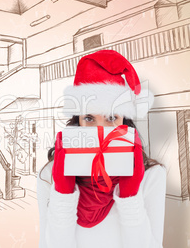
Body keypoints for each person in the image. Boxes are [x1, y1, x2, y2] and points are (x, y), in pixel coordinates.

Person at [37, 50, 166, 248]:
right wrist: (63, 195)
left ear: (125, 120)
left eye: (111, 118)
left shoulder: (152, 176)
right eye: (89, 118)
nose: (100, 131)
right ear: (78, 120)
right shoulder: (50, 175)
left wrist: (130, 197)